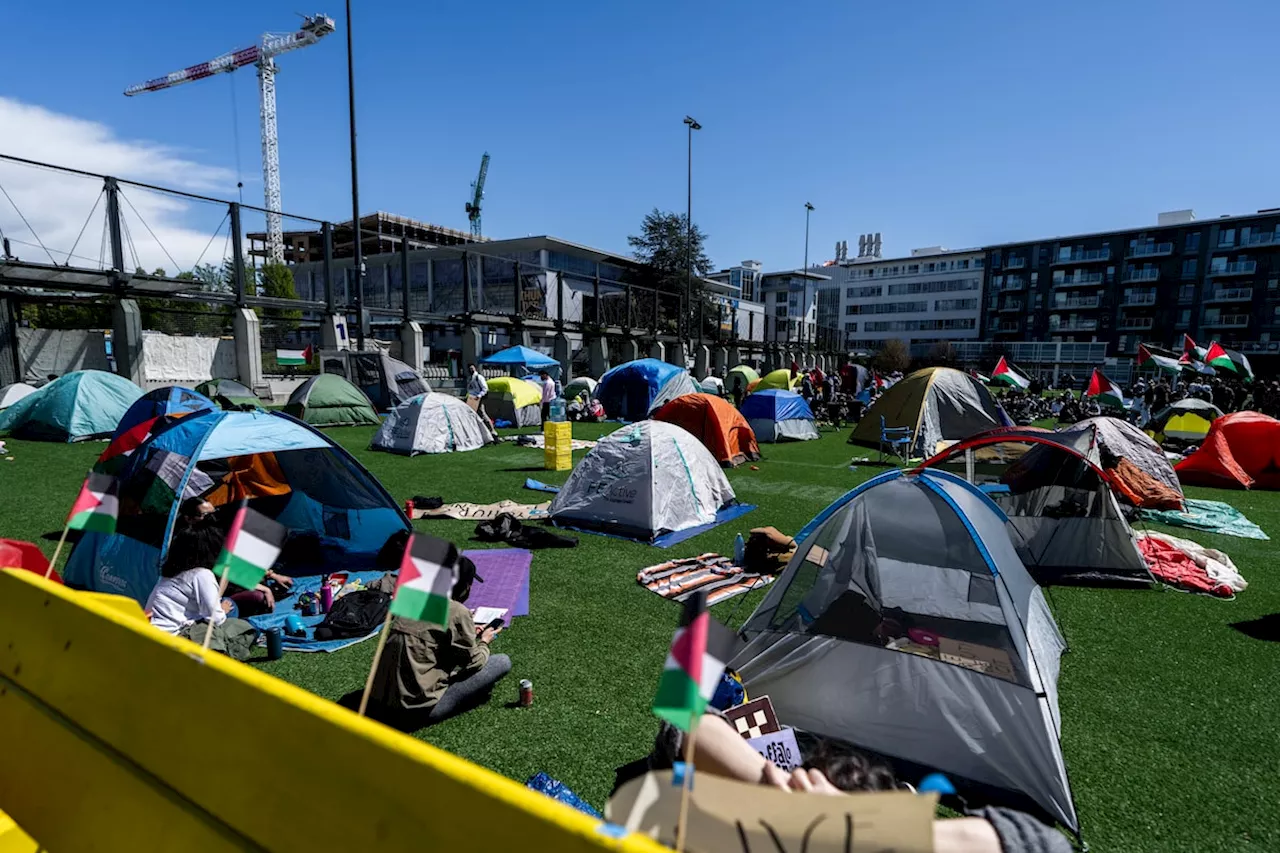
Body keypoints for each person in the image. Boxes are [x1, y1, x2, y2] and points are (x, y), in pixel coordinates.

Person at [367, 546, 511, 727]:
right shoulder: (457, 612)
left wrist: (464, 632)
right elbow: (473, 662)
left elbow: (425, 639)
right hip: (416, 710)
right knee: (502, 662)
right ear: (466, 587)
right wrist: (484, 642)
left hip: (381, 702)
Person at [144, 520, 259, 660]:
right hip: (176, 636)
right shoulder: (201, 574)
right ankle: (223, 656)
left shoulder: (170, 572)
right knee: (242, 625)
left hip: (153, 631)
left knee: (227, 612)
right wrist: (222, 610)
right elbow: (216, 619)